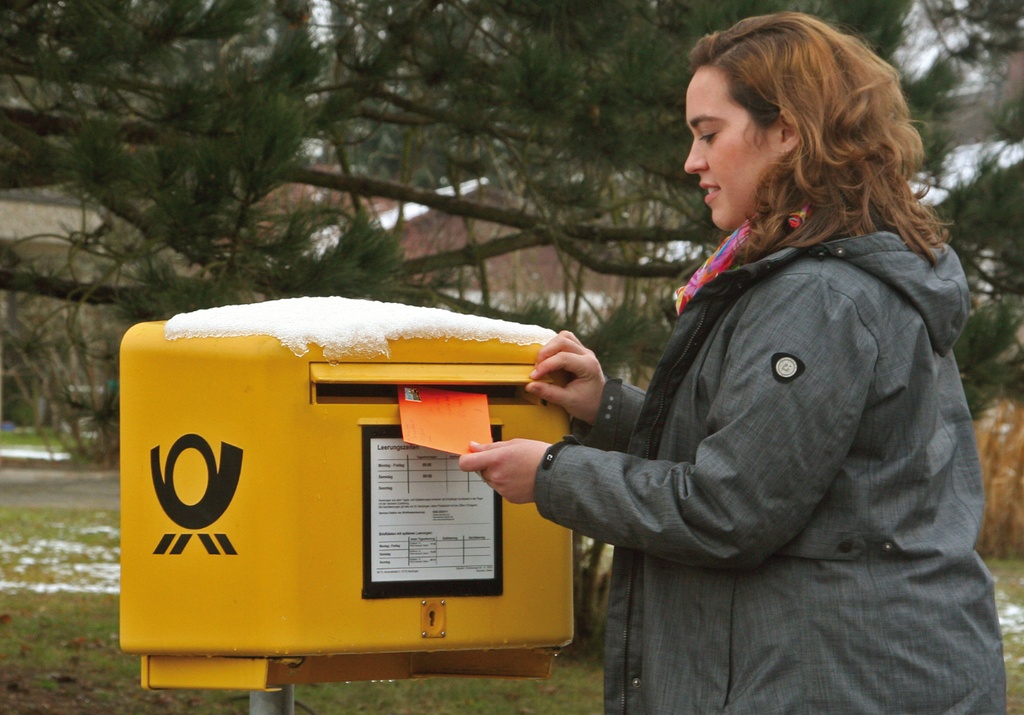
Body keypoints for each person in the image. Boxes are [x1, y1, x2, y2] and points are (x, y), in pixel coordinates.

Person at [458, 11, 1007, 714]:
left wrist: (552, 475)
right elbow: (778, 454)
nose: (692, 162)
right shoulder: (820, 271)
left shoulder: (822, 295)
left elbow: (732, 509)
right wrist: (610, 409)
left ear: (787, 131)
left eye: (708, 134)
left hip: (843, 681)